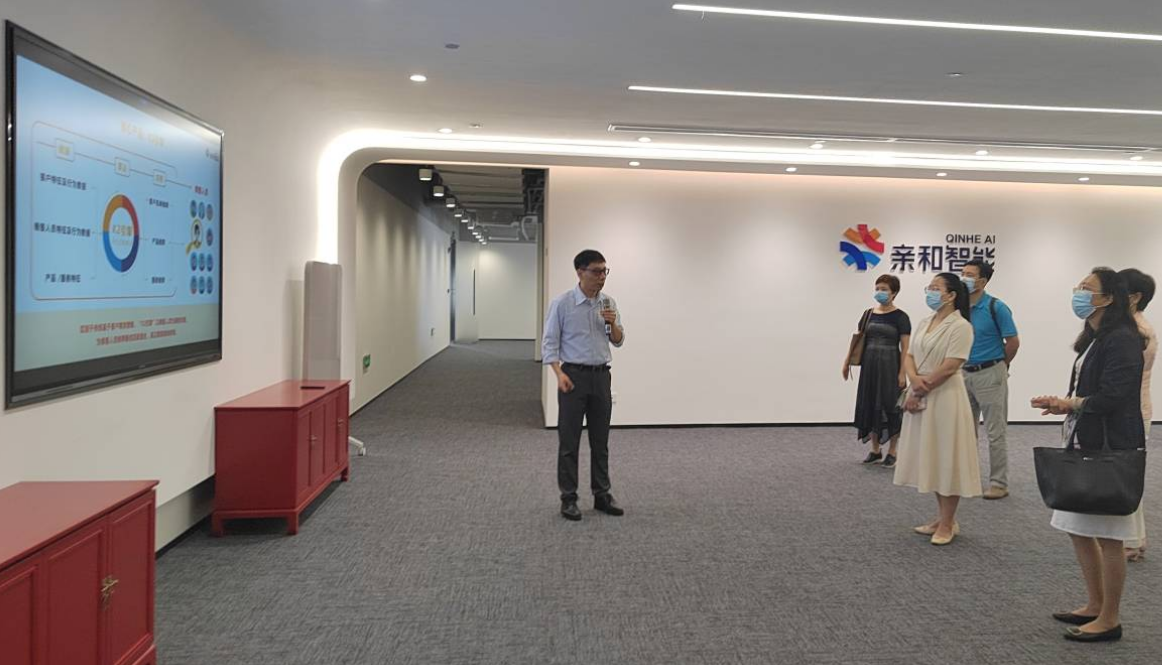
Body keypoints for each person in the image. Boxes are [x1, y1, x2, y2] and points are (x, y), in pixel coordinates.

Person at [1031, 267, 1145, 643]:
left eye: (1087, 288)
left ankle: (1110, 619)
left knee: (1109, 536)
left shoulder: (1123, 338)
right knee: (1079, 529)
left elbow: (1114, 395)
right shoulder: (1095, 338)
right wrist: (1064, 404)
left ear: (1108, 298)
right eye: (1078, 286)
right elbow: (1088, 389)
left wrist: (1071, 403)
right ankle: (1095, 604)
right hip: (1086, 440)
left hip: (1111, 447)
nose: (1078, 292)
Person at [893, 273, 980, 545]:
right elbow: (909, 356)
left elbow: (951, 365)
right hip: (921, 391)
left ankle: (947, 522)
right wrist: (913, 382)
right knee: (931, 454)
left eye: (935, 288)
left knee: (947, 457)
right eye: (928, 287)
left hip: (945, 396)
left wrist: (919, 389)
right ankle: (943, 518)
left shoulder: (961, 326)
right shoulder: (925, 322)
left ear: (951, 295)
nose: (930, 292)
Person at [542, 249, 625, 521]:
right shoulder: (562, 304)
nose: (602, 277)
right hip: (573, 377)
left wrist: (612, 324)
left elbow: (618, 340)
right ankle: (569, 499)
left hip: (601, 376)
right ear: (580, 272)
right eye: (596, 271)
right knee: (569, 441)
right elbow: (550, 343)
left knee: (601, 441)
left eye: (604, 271)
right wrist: (558, 373)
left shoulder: (608, 303)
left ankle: (602, 495)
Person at [960, 259, 1020, 500]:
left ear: (982, 281)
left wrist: (1001, 365)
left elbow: (1013, 342)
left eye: (969, 275)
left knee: (995, 432)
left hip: (990, 373)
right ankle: (969, 478)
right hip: (963, 373)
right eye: (962, 273)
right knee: (965, 431)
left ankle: (998, 483)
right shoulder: (958, 308)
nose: (963, 278)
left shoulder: (997, 307)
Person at [843, 274, 911, 467]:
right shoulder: (868, 314)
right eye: (877, 288)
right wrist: (847, 361)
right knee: (871, 403)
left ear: (894, 293)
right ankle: (875, 449)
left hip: (890, 365)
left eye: (884, 289)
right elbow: (858, 339)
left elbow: (906, 347)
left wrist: (902, 372)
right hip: (870, 365)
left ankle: (893, 451)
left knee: (891, 407)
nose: (880, 292)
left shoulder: (901, 317)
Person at [1119, 268, 1156, 562]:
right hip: (1129, 410)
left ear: (1134, 297)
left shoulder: (1137, 331)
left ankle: (1131, 541)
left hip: (1131, 412)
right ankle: (1134, 538)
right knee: (1125, 475)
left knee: (1126, 477)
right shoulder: (1128, 326)